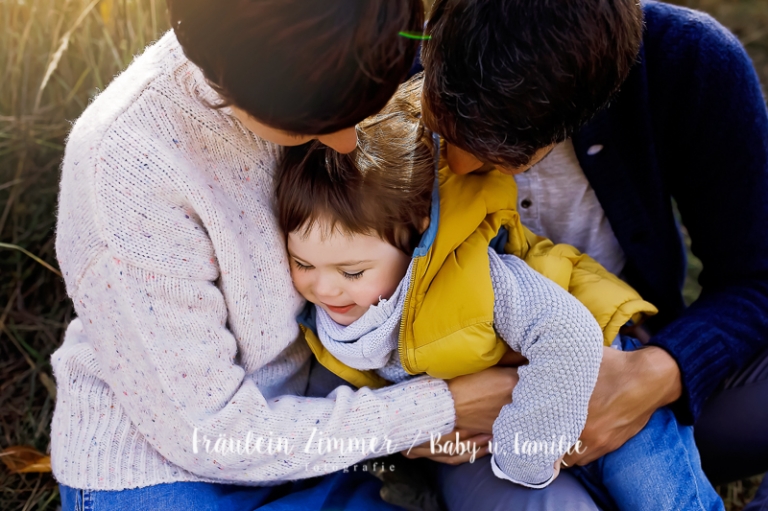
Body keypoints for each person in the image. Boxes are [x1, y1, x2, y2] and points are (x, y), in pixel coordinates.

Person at [50, 1, 519, 509]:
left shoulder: (351, 41)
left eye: (363, 108)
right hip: (162, 470)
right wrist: (437, 409)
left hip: (318, 436)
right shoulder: (127, 167)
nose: (346, 141)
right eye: (311, 126)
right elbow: (210, 434)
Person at [274, 75, 724, 511]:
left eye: (352, 271)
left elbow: (568, 337)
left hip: (600, 381)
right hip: (510, 426)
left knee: (663, 498)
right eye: (303, 264)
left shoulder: (478, 277)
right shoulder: (336, 318)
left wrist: (523, 456)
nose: (323, 287)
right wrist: (411, 434)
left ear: (416, 236)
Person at [419, 0, 768, 509]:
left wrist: (658, 374)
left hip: (645, 382)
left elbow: (756, 277)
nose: (455, 161)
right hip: (492, 422)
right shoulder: (381, 69)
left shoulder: (689, 59)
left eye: (498, 153)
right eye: (444, 123)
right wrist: (438, 407)